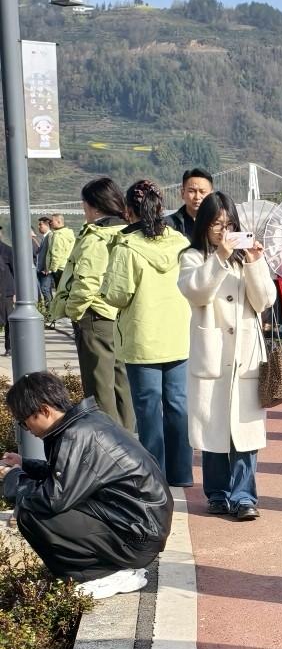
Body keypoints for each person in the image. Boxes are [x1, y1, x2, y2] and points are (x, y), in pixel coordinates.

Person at [1, 372, 172, 599]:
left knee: (31, 510)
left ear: (44, 410)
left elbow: (53, 497)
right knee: (35, 501)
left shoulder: (76, 435)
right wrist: (24, 465)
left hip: (135, 538)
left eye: (24, 421)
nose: (26, 428)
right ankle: (100, 569)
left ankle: (101, 575)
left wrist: (13, 479)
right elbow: (72, 477)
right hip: (137, 526)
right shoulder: (86, 423)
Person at [178, 192, 277, 521]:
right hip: (213, 354)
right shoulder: (192, 257)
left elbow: (263, 301)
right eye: (217, 224)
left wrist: (254, 262)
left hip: (245, 356)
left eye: (229, 224)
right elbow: (197, 291)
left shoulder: (246, 258)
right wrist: (220, 256)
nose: (223, 231)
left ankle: (245, 497)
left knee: (245, 432)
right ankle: (218, 493)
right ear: (204, 226)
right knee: (213, 429)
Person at [101, 180, 193, 488]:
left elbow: (116, 294)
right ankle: (182, 472)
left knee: (148, 407)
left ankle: (154, 473)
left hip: (142, 339)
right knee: (178, 405)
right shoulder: (180, 242)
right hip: (179, 335)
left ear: (128, 211)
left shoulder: (127, 247)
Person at [48, 179, 137, 431]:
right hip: (121, 316)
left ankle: (108, 444)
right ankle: (130, 440)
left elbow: (86, 281)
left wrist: (75, 312)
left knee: (99, 389)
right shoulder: (128, 232)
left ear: (92, 206)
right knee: (122, 386)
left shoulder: (95, 237)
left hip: (95, 316)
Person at [166, 168, 214, 238]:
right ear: (182, 193)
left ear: (212, 195)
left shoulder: (221, 225)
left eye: (202, 192)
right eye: (192, 191)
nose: (197, 197)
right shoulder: (168, 225)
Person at [47, 213, 76, 291]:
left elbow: (56, 254)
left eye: (52, 221)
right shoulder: (69, 233)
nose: (50, 223)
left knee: (60, 292)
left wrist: (53, 269)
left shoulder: (58, 235)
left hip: (59, 268)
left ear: (59, 221)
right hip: (68, 266)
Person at [0, 227, 14, 356]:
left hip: (6, 292)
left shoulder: (7, 250)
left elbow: (15, 272)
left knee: (8, 321)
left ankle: (9, 347)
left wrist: (16, 293)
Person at [34, 217, 54, 306]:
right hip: (41, 269)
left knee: (45, 289)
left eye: (41, 224)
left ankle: (50, 312)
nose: (39, 226)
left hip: (45, 270)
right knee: (45, 290)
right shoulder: (44, 237)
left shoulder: (50, 236)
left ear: (47, 225)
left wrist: (47, 268)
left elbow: (50, 252)